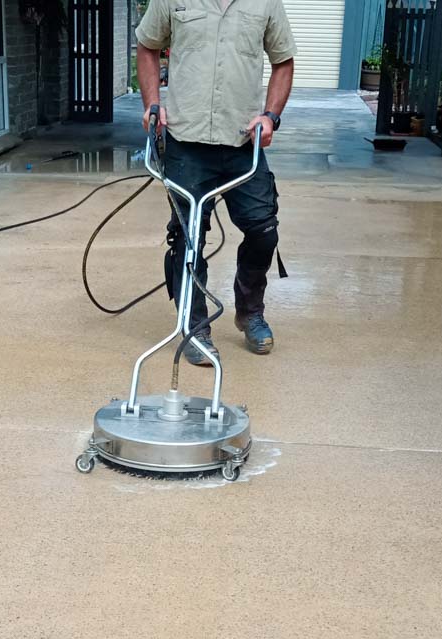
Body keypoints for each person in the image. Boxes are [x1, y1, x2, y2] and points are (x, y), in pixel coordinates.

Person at [134, 0, 295, 366]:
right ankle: (195, 327)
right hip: (186, 140)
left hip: (243, 140)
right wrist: (152, 103)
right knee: (188, 238)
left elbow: (283, 61)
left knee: (263, 231)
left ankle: (250, 312)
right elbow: (147, 46)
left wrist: (270, 116)